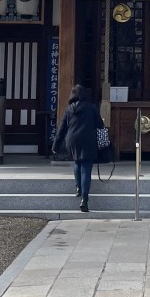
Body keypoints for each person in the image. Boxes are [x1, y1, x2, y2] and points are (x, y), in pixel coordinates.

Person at [51, 84, 105, 212]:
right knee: (86, 168)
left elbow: (61, 129)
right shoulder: (92, 108)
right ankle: (84, 199)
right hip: (88, 140)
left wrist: (55, 146)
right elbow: (100, 126)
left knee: (77, 162)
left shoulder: (69, 109)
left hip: (72, 140)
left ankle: (78, 187)